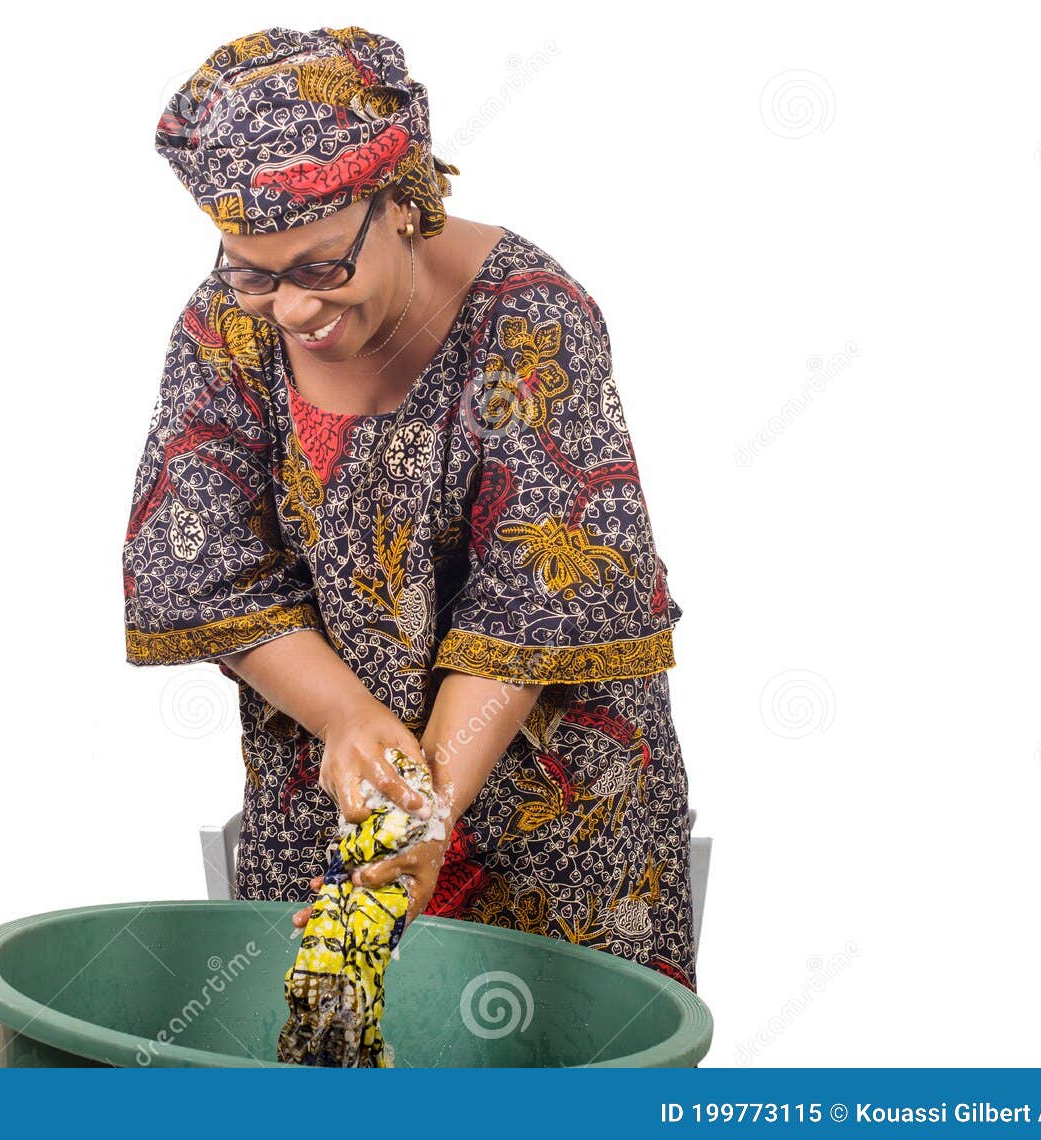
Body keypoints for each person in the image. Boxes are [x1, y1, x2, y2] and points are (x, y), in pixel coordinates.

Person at [125, 25, 697, 992]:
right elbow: (203, 563)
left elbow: (542, 597)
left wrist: (429, 811)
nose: (292, 309)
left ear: (401, 203)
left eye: (319, 268)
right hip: (338, 800)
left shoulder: (530, 321)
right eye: (254, 272)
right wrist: (346, 719)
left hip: (550, 822)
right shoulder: (228, 328)